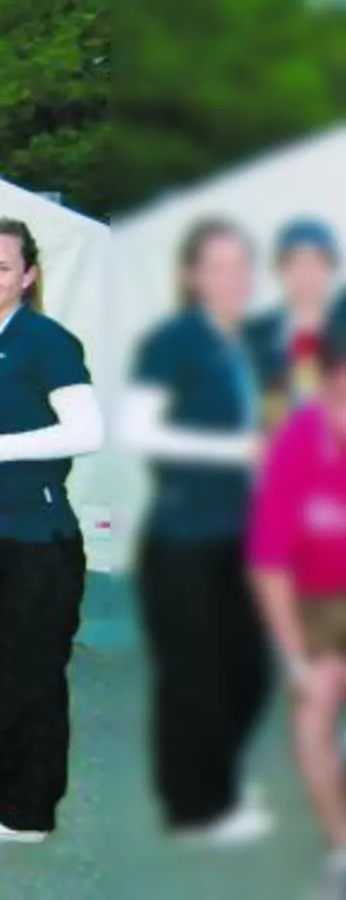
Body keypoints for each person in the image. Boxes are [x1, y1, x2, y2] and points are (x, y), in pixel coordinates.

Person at [0, 218, 104, 842]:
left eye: (2, 267)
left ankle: (24, 813)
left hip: (38, 542)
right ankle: (5, 780)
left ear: (28, 275)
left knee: (27, 679)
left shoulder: (45, 340)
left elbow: (88, 432)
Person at [122, 218, 273, 845]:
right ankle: (196, 804)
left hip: (248, 536)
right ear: (191, 275)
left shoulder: (253, 343)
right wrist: (238, 450)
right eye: (218, 267)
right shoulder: (172, 342)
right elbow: (141, 429)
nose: (233, 279)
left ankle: (215, 776)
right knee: (195, 672)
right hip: (185, 534)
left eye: (242, 267)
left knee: (248, 670)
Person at [249, 315, 346, 897]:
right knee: (312, 713)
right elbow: (269, 564)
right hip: (319, 600)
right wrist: (296, 662)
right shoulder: (299, 440)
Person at [247, 219, 341, 427]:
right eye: (295, 264)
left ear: (331, 268)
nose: (306, 275)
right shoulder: (254, 335)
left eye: (317, 263)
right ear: (279, 270)